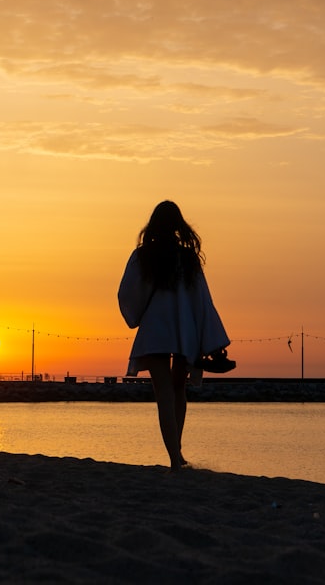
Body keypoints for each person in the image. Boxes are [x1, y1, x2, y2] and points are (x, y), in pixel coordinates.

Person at [118, 200, 230, 469]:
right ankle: (176, 454)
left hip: (156, 328)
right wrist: (210, 338)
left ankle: (174, 457)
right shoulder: (188, 259)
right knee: (179, 390)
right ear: (178, 225)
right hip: (184, 330)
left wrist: (136, 315)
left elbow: (128, 292)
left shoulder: (143, 255)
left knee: (164, 393)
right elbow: (202, 300)